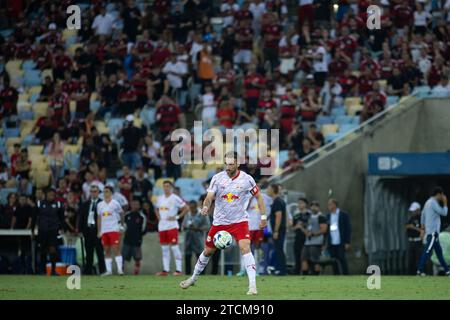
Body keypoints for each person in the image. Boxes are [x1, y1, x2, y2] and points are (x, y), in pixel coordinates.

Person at [180, 152, 267, 295]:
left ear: (238, 164)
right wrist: (206, 206)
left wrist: (263, 217)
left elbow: (259, 197)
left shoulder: (247, 179)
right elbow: (209, 197)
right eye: (226, 163)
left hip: (239, 221)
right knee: (208, 251)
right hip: (220, 222)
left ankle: (252, 286)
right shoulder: (217, 178)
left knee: (245, 248)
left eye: (231, 163)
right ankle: (193, 278)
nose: (228, 166)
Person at [155, 180, 189, 276]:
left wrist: (177, 217)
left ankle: (178, 270)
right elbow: (156, 208)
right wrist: (159, 218)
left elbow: (186, 208)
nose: (166, 188)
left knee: (174, 247)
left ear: (171, 188)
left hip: (172, 226)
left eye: (168, 186)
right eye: (164, 186)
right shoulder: (160, 198)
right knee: (164, 249)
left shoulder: (175, 198)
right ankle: (165, 270)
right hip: (162, 227)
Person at [417, 187, 450, 276]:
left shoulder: (427, 202)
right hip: (433, 233)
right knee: (427, 251)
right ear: (438, 194)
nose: (442, 197)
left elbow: (422, 215)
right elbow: (444, 213)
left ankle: (447, 271)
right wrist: (445, 203)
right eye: (442, 195)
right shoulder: (433, 203)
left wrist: (422, 229)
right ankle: (420, 270)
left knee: (439, 254)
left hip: (431, 232)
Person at [31, 188, 65, 275]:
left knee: (53, 250)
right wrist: (32, 231)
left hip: (53, 231)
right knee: (43, 250)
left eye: (53, 195)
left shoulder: (58, 204)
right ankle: (43, 270)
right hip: (42, 230)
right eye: (50, 195)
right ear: (46, 195)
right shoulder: (39, 204)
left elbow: (62, 218)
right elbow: (34, 218)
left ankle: (53, 270)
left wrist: (62, 229)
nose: (51, 196)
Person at [77, 184, 106, 275]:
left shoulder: (102, 204)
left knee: (100, 252)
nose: (93, 193)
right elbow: (81, 218)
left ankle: (103, 271)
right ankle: (88, 271)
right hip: (88, 230)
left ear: (98, 193)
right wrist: (80, 230)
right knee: (88, 252)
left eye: (95, 191)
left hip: (98, 231)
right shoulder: (85, 204)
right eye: (92, 191)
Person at [97, 186, 124, 276]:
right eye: (104, 192)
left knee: (116, 248)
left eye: (107, 191)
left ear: (111, 193)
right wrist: (99, 230)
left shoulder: (115, 203)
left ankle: (120, 270)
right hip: (104, 231)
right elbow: (99, 218)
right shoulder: (100, 205)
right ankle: (109, 271)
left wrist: (121, 225)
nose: (105, 193)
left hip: (114, 229)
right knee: (106, 250)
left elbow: (122, 213)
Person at [237, 195, 264, 276]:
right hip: (247, 227)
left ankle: (257, 270)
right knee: (244, 248)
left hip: (258, 227)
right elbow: (242, 209)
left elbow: (265, 210)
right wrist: (249, 198)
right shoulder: (245, 196)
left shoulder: (262, 197)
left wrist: (263, 221)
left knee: (257, 248)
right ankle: (243, 269)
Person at [182, 200, 210, 275]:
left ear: (196, 206)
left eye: (193, 208)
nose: (191, 209)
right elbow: (183, 226)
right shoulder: (187, 214)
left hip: (198, 239)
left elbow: (207, 226)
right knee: (187, 257)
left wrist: (197, 228)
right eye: (190, 208)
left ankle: (202, 274)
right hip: (188, 239)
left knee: (200, 257)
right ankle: (187, 274)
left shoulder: (201, 214)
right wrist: (186, 227)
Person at [301, 201, 328, 275]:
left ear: (318, 208)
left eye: (315, 206)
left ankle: (316, 275)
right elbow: (304, 227)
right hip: (307, 242)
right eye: (312, 206)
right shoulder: (308, 217)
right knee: (304, 258)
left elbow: (324, 229)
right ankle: (305, 276)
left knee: (316, 260)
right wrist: (305, 231)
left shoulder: (321, 217)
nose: (313, 207)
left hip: (317, 242)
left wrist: (313, 233)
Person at [326, 198, 351, 275]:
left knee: (342, 258)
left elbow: (348, 228)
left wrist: (347, 242)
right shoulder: (328, 216)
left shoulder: (343, 215)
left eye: (330, 204)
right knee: (333, 260)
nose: (328, 206)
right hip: (332, 241)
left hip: (340, 241)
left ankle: (345, 274)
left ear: (334, 205)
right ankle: (336, 275)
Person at [122, 198, 147, 275]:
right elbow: (123, 226)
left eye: (136, 204)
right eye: (133, 204)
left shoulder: (142, 216)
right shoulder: (127, 215)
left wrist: (139, 236)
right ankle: (121, 270)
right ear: (131, 205)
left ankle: (136, 272)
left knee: (137, 257)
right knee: (123, 256)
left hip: (137, 240)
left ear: (139, 206)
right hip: (127, 239)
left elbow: (144, 228)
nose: (134, 206)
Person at [267, 183, 287, 276]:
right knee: (279, 249)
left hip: (278, 230)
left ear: (273, 190)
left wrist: (276, 231)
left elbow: (278, 216)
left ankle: (281, 270)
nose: (267, 190)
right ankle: (281, 269)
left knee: (279, 250)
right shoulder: (279, 201)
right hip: (281, 229)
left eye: (269, 188)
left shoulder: (277, 202)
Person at [291, 198, 310, 274]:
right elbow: (293, 227)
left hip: (307, 238)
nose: (299, 205)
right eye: (298, 203)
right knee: (297, 254)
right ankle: (297, 271)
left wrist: (302, 227)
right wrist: (297, 227)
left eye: (301, 203)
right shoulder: (296, 216)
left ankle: (307, 272)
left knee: (305, 256)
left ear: (305, 204)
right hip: (298, 238)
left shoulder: (309, 215)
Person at [405, 202, 423, 275]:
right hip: (411, 241)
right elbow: (406, 226)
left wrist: (413, 227)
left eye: (414, 211)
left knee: (418, 258)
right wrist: (409, 227)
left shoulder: (421, 218)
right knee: (411, 259)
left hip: (418, 241)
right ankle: (411, 274)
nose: (412, 212)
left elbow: (423, 230)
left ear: (418, 210)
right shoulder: (411, 218)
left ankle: (420, 272)